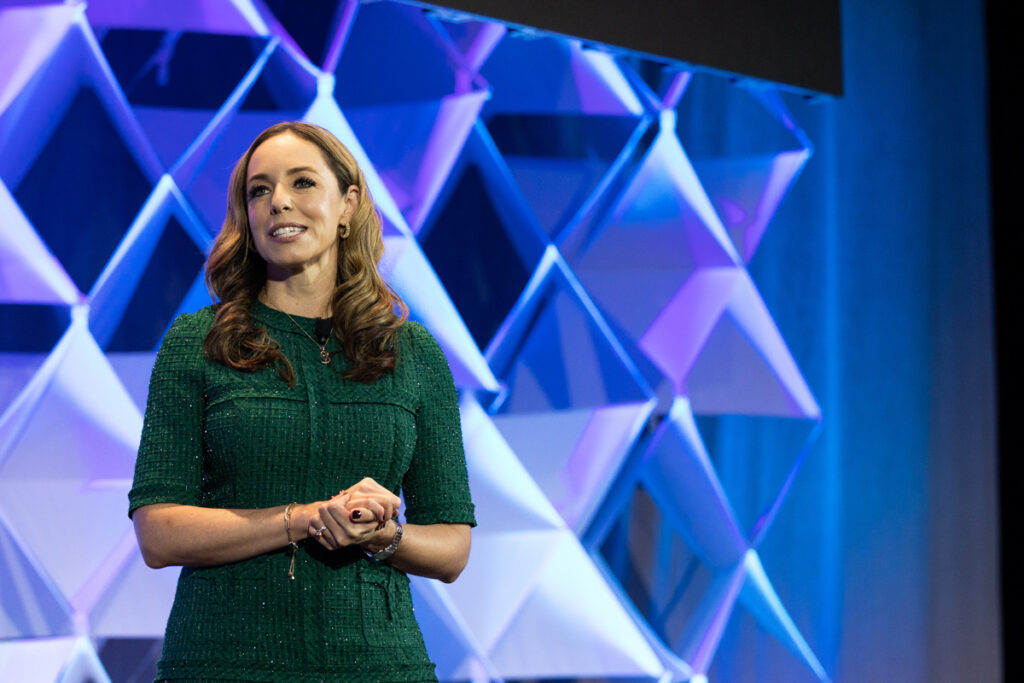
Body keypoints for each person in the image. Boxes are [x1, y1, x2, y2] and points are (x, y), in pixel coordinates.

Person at [128, 121, 475, 682]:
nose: (279, 202)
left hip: (380, 664)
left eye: (303, 183)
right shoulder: (198, 341)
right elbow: (158, 531)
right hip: (223, 664)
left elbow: (452, 548)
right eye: (259, 191)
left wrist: (382, 534)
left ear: (348, 205)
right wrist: (305, 519)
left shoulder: (411, 353)